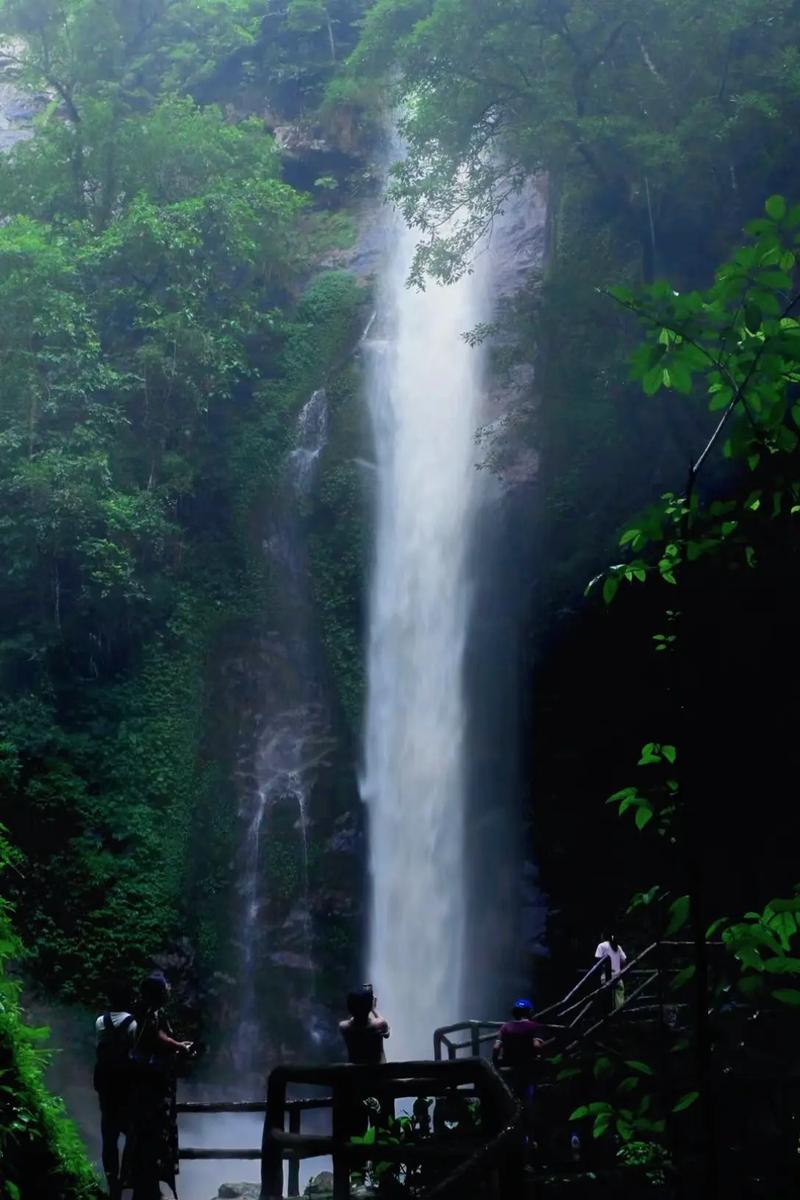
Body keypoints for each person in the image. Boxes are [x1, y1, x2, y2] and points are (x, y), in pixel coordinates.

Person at [127, 972, 193, 1200]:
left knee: (150, 1137)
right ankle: (148, 1188)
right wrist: (179, 1047)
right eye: (166, 988)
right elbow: (157, 1036)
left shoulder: (146, 1012)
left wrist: (177, 1046)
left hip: (149, 1086)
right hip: (151, 1088)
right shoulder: (149, 1015)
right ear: (159, 993)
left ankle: (147, 1186)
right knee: (152, 1137)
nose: (169, 991)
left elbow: (160, 1035)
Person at [94, 980, 137, 1200]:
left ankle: (113, 1183)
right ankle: (125, 1176)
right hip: (126, 1087)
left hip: (106, 1087)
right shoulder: (133, 1024)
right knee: (132, 1132)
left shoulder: (100, 1021)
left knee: (108, 1136)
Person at [339, 985, 390, 1066]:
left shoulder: (343, 1026)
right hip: (379, 1073)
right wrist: (374, 1010)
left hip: (355, 1074)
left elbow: (355, 1019)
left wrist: (362, 1004)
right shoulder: (380, 1024)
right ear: (370, 1005)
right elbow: (387, 1034)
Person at [595, 932, 627, 1011]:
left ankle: (607, 1019)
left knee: (606, 1001)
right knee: (619, 1001)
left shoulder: (601, 946)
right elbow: (624, 961)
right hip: (618, 977)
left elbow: (597, 961)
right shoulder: (617, 947)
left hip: (606, 977)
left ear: (603, 937)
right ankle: (619, 1018)